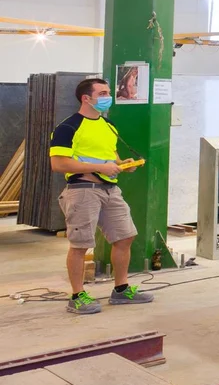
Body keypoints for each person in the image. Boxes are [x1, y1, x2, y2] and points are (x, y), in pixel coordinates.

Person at [49, 77, 155, 315]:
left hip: (110, 190)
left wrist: (122, 164)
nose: (108, 96)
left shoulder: (109, 125)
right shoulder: (68, 127)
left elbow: (110, 157)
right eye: (103, 93)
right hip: (83, 191)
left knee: (125, 237)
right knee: (80, 245)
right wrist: (99, 168)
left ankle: (121, 289)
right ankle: (77, 296)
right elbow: (58, 163)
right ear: (87, 98)